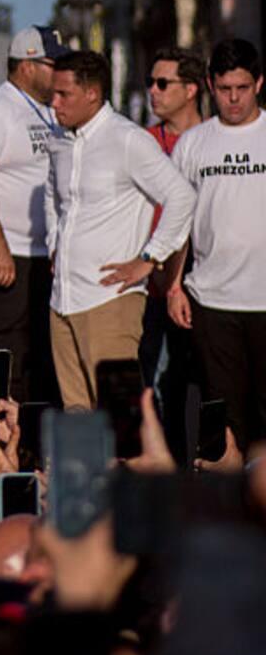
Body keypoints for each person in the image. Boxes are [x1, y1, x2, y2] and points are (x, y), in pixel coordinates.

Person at [44, 50, 195, 411]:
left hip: (110, 301)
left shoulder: (128, 139)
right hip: (61, 300)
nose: (54, 103)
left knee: (119, 419)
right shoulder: (58, 140)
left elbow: (181, 197)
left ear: (92, 93)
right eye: (53, 93)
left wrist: (149, 259)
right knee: (78, 417)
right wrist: (54, 243)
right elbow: (52, 192)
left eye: (64, 94)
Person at [0, 25, 67, 404]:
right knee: (2, 361)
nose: (60, 73)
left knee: (41, 362)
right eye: (53, 64)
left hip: (45, 259)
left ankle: (30, 452)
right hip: (10, 258)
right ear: (27, 64)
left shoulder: (50, 111)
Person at [168, 38, 266, 449]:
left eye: (242, 88)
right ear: (210, 85)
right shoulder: (194, 144)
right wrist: (174, 287)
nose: (233, 99)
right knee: (223, 419)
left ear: (259, 83)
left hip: (263, 300)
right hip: (212, 300)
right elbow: (177, 224)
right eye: (225, 89)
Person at [140, 46, 205, 458]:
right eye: (150, 82)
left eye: (163, 83)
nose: (153, 91)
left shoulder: (214, 139)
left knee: (204, 383)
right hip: (153, 281)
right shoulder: (142, 142)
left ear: (192, 90)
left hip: (207, 276)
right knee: (158, 384)